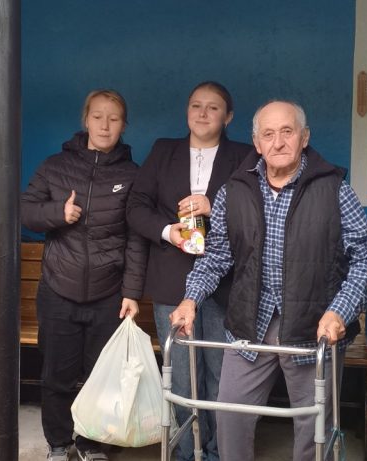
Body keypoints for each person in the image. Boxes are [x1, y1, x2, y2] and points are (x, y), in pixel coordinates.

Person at [169, 100, 367, 461]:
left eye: (287, 132)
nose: (278, 142)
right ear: (257, 142)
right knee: (231, 414)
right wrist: (190, 299)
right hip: (251, 320)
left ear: (304, 138)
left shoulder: (332, 188)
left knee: (312, 425)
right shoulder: (233, 191)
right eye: (268, 134)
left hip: (314, 324)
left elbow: (366, 255)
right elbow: (217, 256)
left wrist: (339, 313)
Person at [125, 81, 251, 461]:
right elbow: (136, 207)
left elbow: (256, 212)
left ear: (228, 117)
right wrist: (168, 231)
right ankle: (185, 451)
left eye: (213, 108)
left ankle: (216, 451)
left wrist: (216, 206)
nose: (202, 113)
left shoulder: (245, 156)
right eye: (196, 105)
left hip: (227, 283)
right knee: (180, 375)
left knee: (220, 374)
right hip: (171, 280)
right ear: (186, 111)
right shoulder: (164, 151)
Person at [20, 89, 147, 461]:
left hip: (109, 294)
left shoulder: (132, 175)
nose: (105, 124)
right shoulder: (55, 166)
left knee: (101, 378)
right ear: (85, 120)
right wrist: (58, 214)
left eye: (113, 118)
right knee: (56, 376)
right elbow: (25, 211)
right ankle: (58, 444)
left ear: (124, 125)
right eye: (97, 116)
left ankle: (92, 444)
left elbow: (137, 239)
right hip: (59, 290)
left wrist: (132, 291)